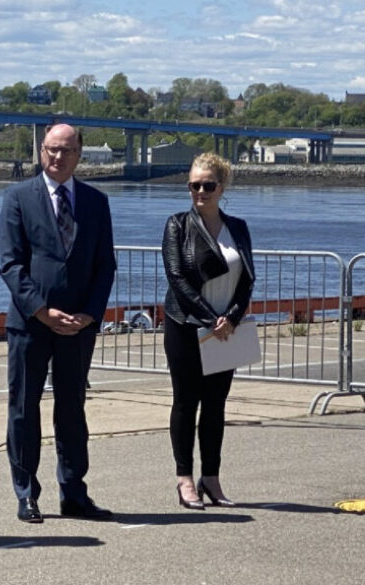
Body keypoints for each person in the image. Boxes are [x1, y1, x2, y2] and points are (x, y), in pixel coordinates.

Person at [0, 123, 116, 523]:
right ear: (41, 150)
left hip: (77, 327)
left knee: (72, 410)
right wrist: (41, 311)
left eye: (65, 150)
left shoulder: (97, 202)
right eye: (50, 149)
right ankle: (27, 493)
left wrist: (89, 315)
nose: (56, 157)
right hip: (30, 324)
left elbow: (105, 267)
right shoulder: (17, 197)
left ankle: (74, 493)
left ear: (79, 153)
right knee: (23, 410)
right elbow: (11, 264)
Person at [161, 152, 254, 510]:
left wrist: (230, 317)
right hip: (186, 326)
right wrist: (209, 317)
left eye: (208, 185)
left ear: (222, 187)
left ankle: (211, 478)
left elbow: (247, 280)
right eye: (194, 185)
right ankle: (184, 478)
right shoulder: (177, 224)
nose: (200, 191)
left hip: (226, 330)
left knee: (215, 405)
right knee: (186, 402)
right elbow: (177, 279)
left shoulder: (238, 228)